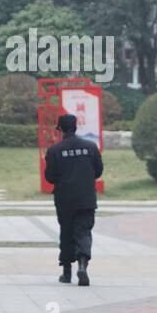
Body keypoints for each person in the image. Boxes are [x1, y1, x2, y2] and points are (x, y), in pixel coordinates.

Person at [44, 112, 103, 286]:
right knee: (84, 232)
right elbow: (98, 171)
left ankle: (67, 272)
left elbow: (50, 177)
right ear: (76, 127)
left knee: (67, 232)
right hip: (86, 198)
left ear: (60, 129)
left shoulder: (54, 150)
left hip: (65, 199)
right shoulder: (91, 147)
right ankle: (83, 266)